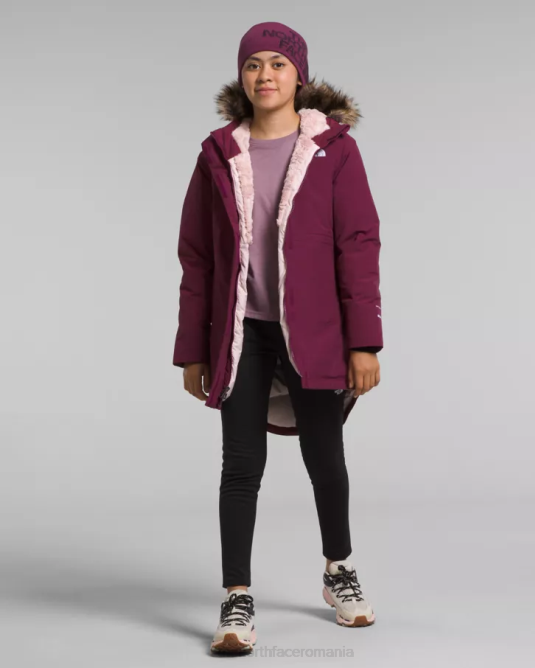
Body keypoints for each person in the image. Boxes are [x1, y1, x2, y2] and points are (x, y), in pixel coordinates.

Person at [172, 21, 383, 654]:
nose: (265, 74)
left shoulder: (333, 150)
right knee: (241, 465)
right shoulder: (217, 154)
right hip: (241, 334)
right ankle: (236, 597)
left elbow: (358, 246)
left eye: (278, 64)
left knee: (326, 458)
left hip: (315, 333)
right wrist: (192, 349)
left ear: (299, 75)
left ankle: (339, 569)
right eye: (253, 64)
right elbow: (196, 257)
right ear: (241, 77)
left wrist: (364, 342)